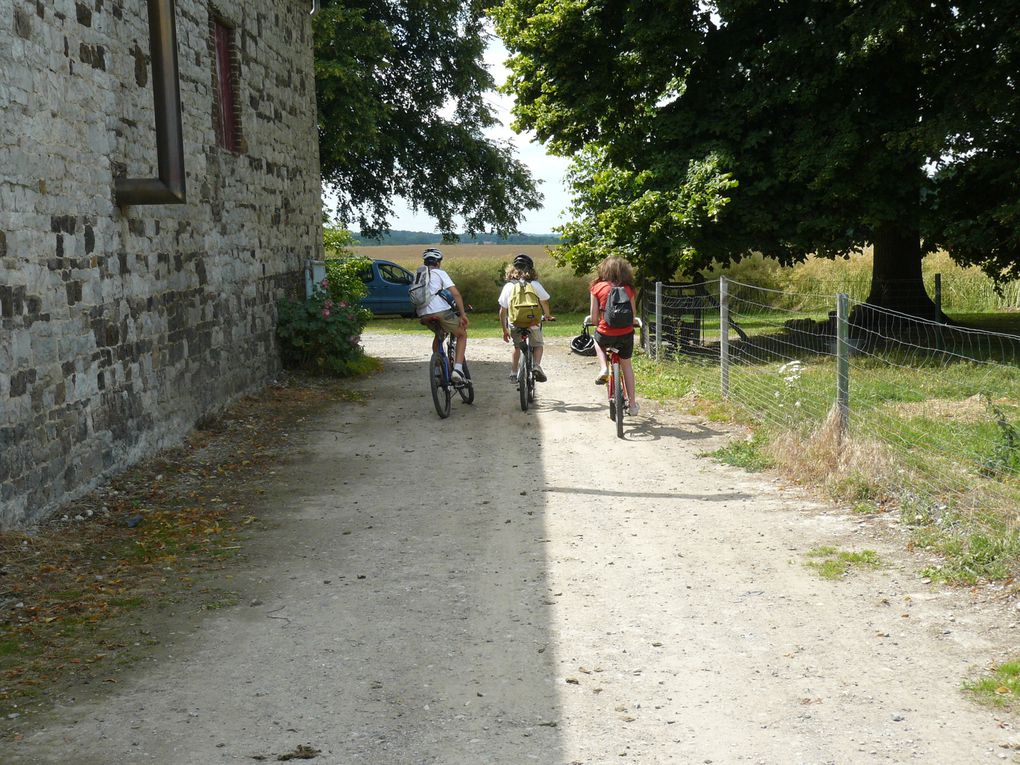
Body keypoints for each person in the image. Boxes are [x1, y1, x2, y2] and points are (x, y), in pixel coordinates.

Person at [589, 256, 639, 415]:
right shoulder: (629, 289)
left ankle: (604, 368)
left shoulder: (597, 288)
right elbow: (633, 315)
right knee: (627, 366)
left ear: (604, 270)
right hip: (625, 334)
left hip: (605, 333)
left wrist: (598, 324)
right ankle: (632, 405)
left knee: (597, 340)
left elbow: (594, 316)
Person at [416, 248, 470, 383]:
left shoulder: (418, 275)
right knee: (462, 334)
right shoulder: (440, 273)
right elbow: (455, 293)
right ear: (438, 263)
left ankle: (436, 369)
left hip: (423, 314)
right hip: (441, 312)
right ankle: (457, 370)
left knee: (439, 334)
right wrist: (462, 314)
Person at [498, 253, 554, 382]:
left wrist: (505, 329)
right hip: (533, 321)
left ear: (513, 269)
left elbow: (503, 310)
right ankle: (536, 366)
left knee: (517, 346)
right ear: (531, 270)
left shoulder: (509, 286)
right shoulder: (535, 284)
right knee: (538, 344)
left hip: (515, 322)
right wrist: (547, 315)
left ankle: (513, 372)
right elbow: (545, 301)